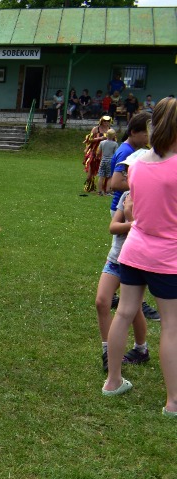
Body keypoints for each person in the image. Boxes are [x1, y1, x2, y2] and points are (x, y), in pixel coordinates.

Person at [103, 97, 177, 416]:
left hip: (134, 251)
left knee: (123, 314)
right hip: (166, 256)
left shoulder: (137, 164)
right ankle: (173, 402)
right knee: (172, 326)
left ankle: (113, 381)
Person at [107, 111, 159, 323]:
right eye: (145, 133)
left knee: (127, 255)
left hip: (128, 206)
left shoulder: (132, 150)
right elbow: (115, 183)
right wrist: (145, 182)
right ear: (134, 132)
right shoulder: (127, 152)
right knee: (129, 257)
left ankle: (122, 295)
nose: (148, 138)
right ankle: (136, 300)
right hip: (123, 207)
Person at [95, 184, 149, 372]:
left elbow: (148, 232)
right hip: (115, 259)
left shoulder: (152, 198)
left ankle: (141, 349)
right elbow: (113, 227)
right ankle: (108, 352)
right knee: (102, 302)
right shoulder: (126, 195)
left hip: (136, 261)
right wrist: (132, 222)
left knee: (133, 309)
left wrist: (130, 215)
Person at [83, 115, 112, 193]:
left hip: (105, 153)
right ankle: (90, 187)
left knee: (104, 172)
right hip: (94, 152)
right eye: (104, 121)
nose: (106, 123)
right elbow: (89, 139)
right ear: (101, 121)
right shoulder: (96, 129)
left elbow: (114, 141)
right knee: (91, 171)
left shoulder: (110, 130)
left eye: (108, 121)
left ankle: (104, 188)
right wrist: (99, 138)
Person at [97, 127, 118, 196]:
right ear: (113, 136)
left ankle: (100, 191)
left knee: (101, 176)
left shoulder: (102, 142)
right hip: (110, 161)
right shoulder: (115, 144)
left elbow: (98, 152)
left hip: (103, 160)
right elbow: (115, 154)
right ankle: (108, 191)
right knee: (110, 176)